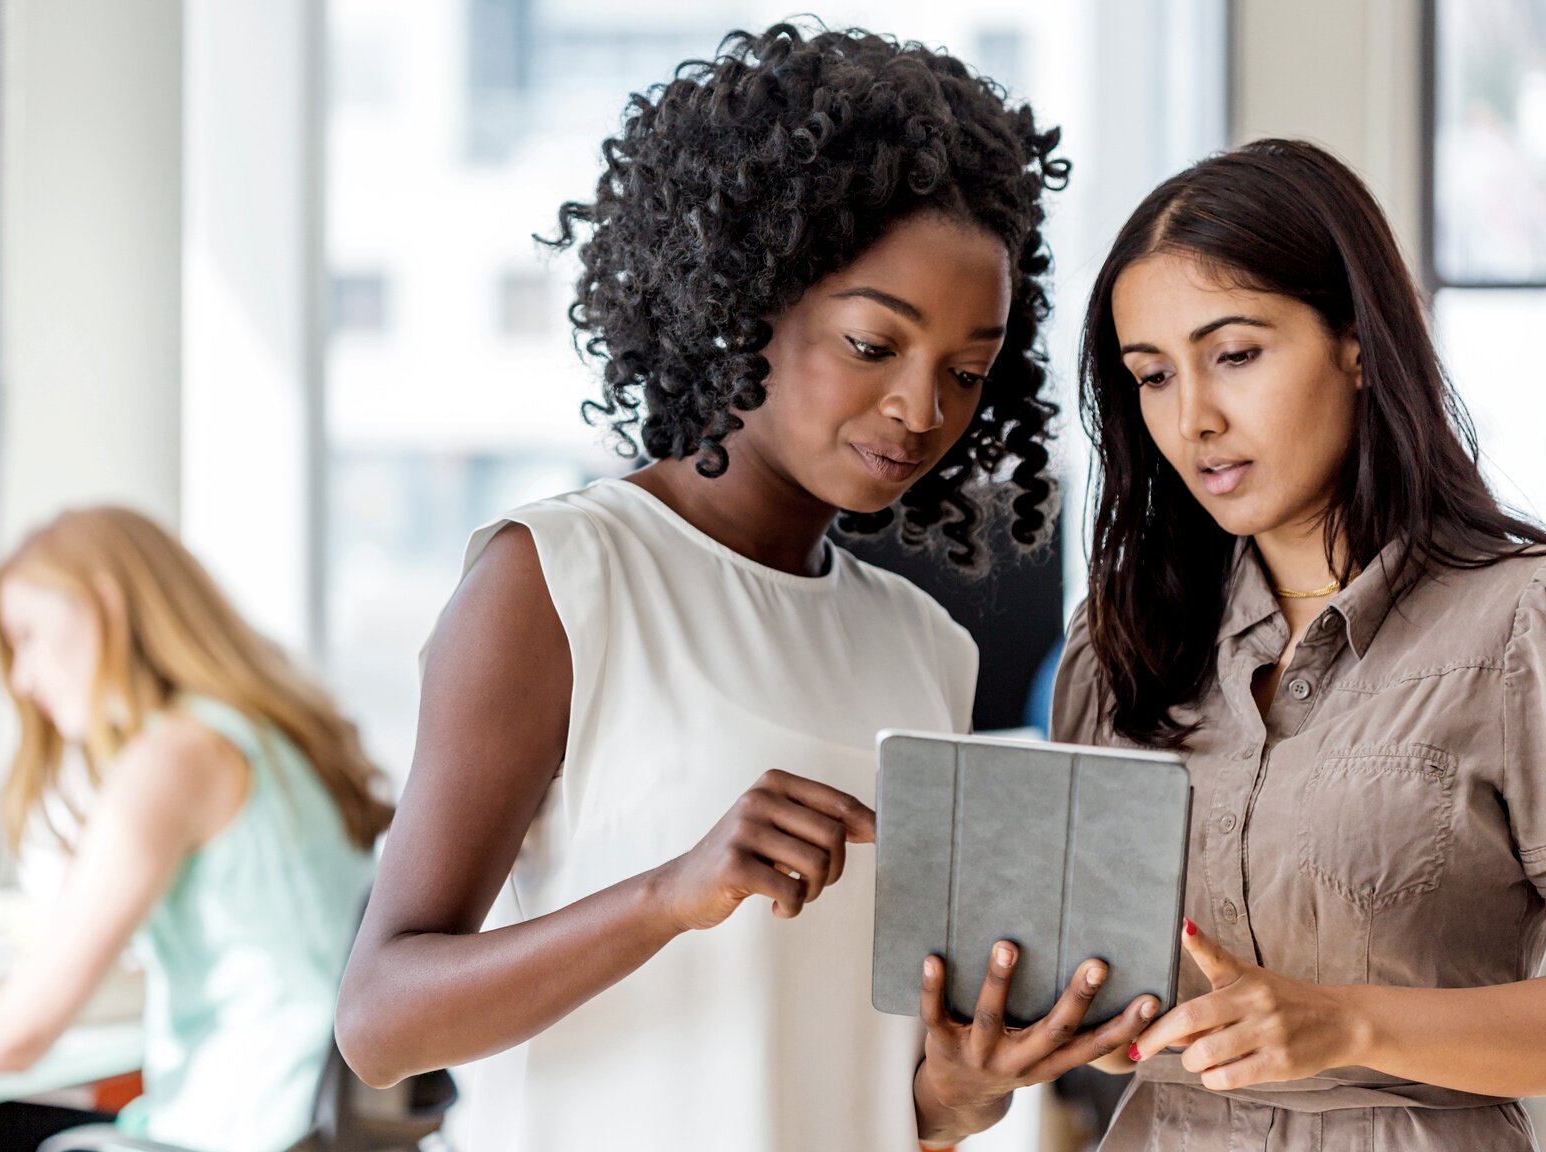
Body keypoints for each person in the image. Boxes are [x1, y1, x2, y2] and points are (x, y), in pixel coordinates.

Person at [335, 23, 1158, 1152]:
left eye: (966, 372)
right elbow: (381, 1022)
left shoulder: (924, 644)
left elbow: (868, 1085)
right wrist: (664, 896)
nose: (921, 409)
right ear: (750, 298)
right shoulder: (563, 580)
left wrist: (962, 1093)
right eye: (875, 345)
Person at [1055, 137, 1546, 1150]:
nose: (1194, 419)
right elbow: (1101, 1010)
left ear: (1358, 343)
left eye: (1234, 354)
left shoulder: (1518, 627)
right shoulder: (1122, 639)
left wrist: (1349, 1019)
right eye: (1152, 376)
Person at [0, 506, 391, 1152]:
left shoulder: (172, 759)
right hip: (302, 1128)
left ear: (105, 605)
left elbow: (18, 1035)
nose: (20, 678)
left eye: (28, 635)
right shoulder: (269, 738)